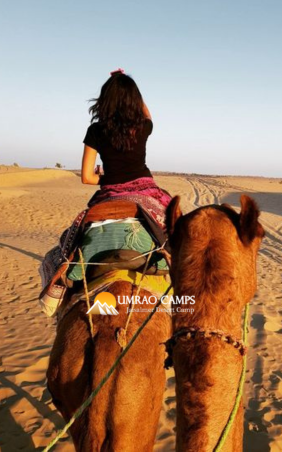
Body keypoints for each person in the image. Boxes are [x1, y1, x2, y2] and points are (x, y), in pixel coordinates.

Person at [81, 69, 171, 215]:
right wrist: (132, 92)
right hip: (146, 189)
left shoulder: (95, 130)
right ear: (135, 100)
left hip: (110, 190)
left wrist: (110, 176)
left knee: (77, 231)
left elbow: (87, 178)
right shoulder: (143, 126)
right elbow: (147, 115)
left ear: (105, 99)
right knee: (173, 224)